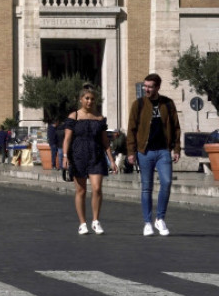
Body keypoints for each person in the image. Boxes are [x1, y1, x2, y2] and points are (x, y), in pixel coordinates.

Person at [127, 73, 182, 236]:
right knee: (146, 188)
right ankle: (147, 223)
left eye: (150, 87)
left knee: (166, 182)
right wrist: (131, 151)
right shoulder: (138, 104)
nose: (146, 89)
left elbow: (176, 127)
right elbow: (131, 129)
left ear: (158, 87)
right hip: (145, 152)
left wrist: (177, 148)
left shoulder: (168, 104)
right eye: (145, 86)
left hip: (163, 151)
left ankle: (160, 219)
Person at [62, 87, 118, 235]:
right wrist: (65, 156)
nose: (89, 101)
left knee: (97, 188)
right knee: (81, 190)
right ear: (81, 99)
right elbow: (67, 139)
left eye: (92, 99)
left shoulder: (99, 118)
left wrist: (112, 160)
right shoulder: (73, 117)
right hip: (78, 156)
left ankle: (95, 221)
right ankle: (82, 223)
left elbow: (105, 142)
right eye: (87, 98)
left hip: (96, 156)